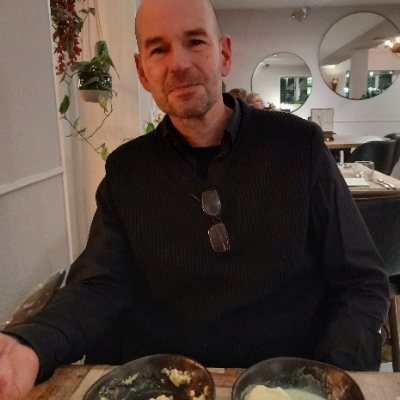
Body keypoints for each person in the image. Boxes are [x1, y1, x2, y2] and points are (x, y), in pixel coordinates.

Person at [0, 0, 389, 398]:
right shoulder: (126, 171)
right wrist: (30, 344)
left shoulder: (298, 146)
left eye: (195, 41)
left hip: (288, 386)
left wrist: (329, 381)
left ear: (224, 55)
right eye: (158, 49)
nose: (179, 63)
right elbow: (97, 286)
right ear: (142, 71)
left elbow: (360, 281)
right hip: (166, 388)